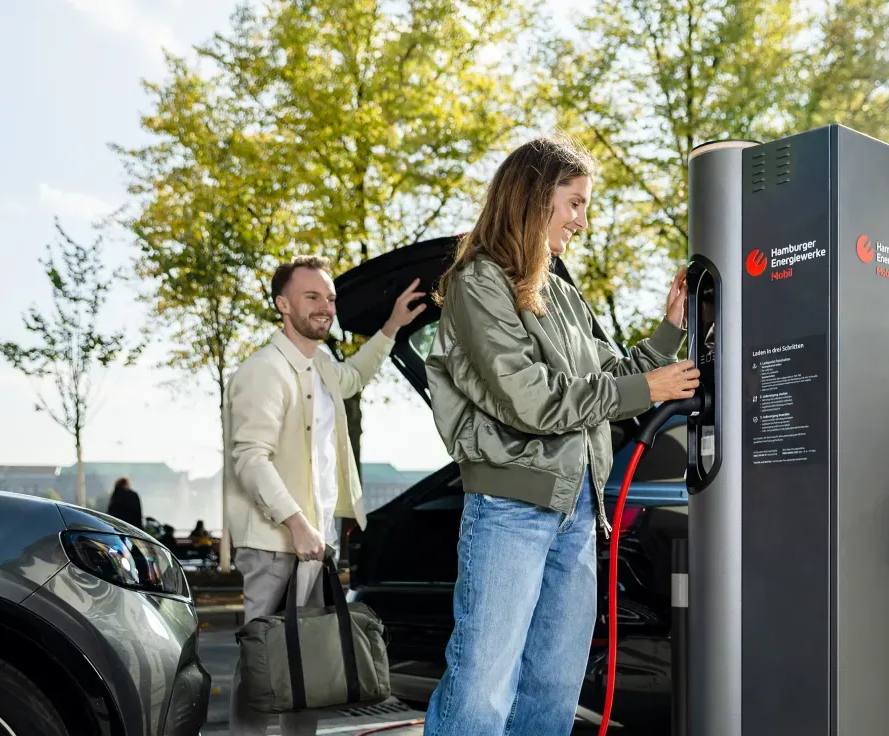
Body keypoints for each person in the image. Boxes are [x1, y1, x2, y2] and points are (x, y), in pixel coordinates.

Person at [423, 134, 701, 736]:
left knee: (553, 682)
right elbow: (529, 400)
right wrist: (647, 389)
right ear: (531, 197)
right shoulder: (479, 284)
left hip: (576, 508)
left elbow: (611, 381)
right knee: (483, 683)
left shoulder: (563, 294)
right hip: (509, 507)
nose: (582, 219)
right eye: (573, 202)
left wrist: (667, 335)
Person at [223, 254, 426, 736]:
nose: (326, 307)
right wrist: (296, 523)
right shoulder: (265, 371)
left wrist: (393, 326)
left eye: (330, 298)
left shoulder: (323, 365)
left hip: (314, 538)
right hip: (276, 541)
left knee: (303, 663)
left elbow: (353, 377)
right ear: (282, 304)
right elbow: (250, 458)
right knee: (265, 663)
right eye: (312, 296)